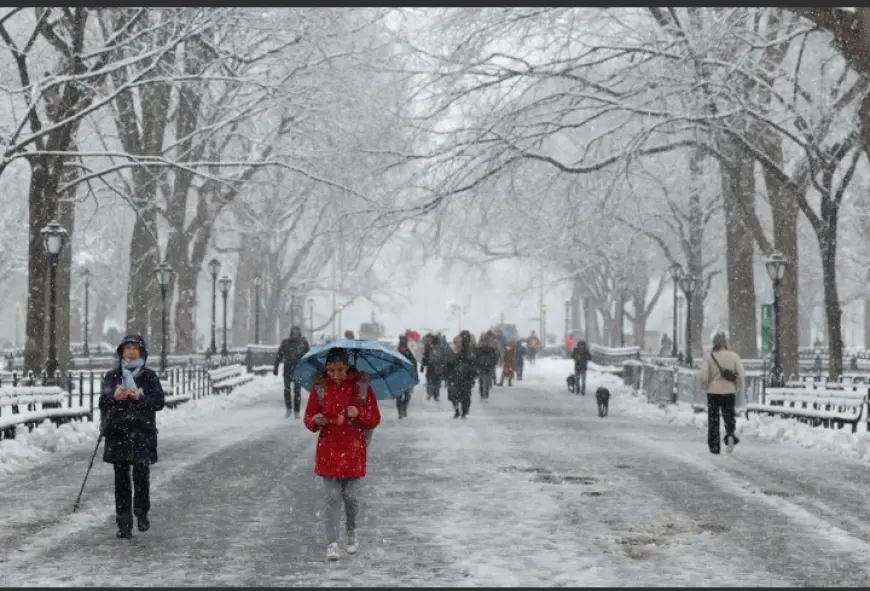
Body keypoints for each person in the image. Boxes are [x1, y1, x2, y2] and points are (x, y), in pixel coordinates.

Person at [303, 347, 381, 561]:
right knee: (332, 497)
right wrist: (314, 421)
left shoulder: (361, 388)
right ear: (327, 369)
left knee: (352, 497)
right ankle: (332, 543)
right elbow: (309, 417)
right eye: (332, 370)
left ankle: (351, 530)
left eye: (340, 370)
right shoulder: (320, 388)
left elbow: (374, 419)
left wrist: (359, 413)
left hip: (354, 450)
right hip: (329, 449)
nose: (336, 374)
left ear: (348, 368)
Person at [98, 334, 166, 539]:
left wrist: (140, 397)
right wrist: (114, 397)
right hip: (118, 432)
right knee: (121, 478)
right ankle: (124, 521)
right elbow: (102, 402)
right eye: (127, 348)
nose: (131, 351)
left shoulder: (149, 376)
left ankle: (141, 511)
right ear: (121, 352)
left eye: (135, 348)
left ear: (142, 352)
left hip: (142, 432)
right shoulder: (112, 376)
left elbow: (159, 402)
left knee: (141, 475)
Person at [698, 332, 744, 455]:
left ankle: (714, 445)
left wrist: (705, 384)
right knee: (729, 415)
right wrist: (737, 385)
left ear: (714, 344)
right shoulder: (733, 356)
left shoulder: (709, 357)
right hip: (729, 391)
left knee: (714, 419)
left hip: (713, 392)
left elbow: (703, 375)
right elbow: (741, 373)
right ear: (725, 343)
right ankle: (730, 434)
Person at [274, 325, 311, 419]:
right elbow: (279, 355)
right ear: (291, 333)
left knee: (297, 391)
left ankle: (297, 411)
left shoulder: (303, 342)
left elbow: (309, 356)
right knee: (287, 390)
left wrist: (310, 368)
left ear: (299, 333)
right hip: (287, 370)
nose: (295, 334)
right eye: (293, 332)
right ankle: (288, 409)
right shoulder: (285, 342)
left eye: (296, 332)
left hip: (298, 370)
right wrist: (276, 367)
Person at [446, 330, 477, 418]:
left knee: (458, 395)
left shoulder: (467, 350)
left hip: (460, 375)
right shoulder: (465, 349)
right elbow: (473, 363)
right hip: (463, 376)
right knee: (463, 395)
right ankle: (462, 411)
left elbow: (449, 362)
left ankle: (459, 411)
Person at [395, 335, 418, 418]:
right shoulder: (396, 355)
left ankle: (404, 408)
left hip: (408, 379)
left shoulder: (410, 355)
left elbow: (414, 366)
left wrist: (415, 377)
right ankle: (400, 412)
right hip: (398, 379)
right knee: (398, 397)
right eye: (402, 346)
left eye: (404, 347)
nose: (403, 348)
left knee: (407, 396)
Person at [419, 334, 446, 401]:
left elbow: (425, 357)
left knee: (430, 382)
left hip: (430, 368)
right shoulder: (441, 348)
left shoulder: (428, 347)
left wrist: (423, 365)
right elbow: (444, 359)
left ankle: (430, 393)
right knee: (437, 382)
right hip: (439, 368)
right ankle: (436, 396)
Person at [476, 331, 500, 400]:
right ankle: (483, 394)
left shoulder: (491, 348)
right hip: (483, 366)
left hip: (487, 366)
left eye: (486, 341)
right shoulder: (480, 348)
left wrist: (493, 363)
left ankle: (485, 394)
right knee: (482, 381)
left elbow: (495, 356)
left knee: (486, 381)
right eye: (484, 341)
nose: (485, 342)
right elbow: (476, 357)